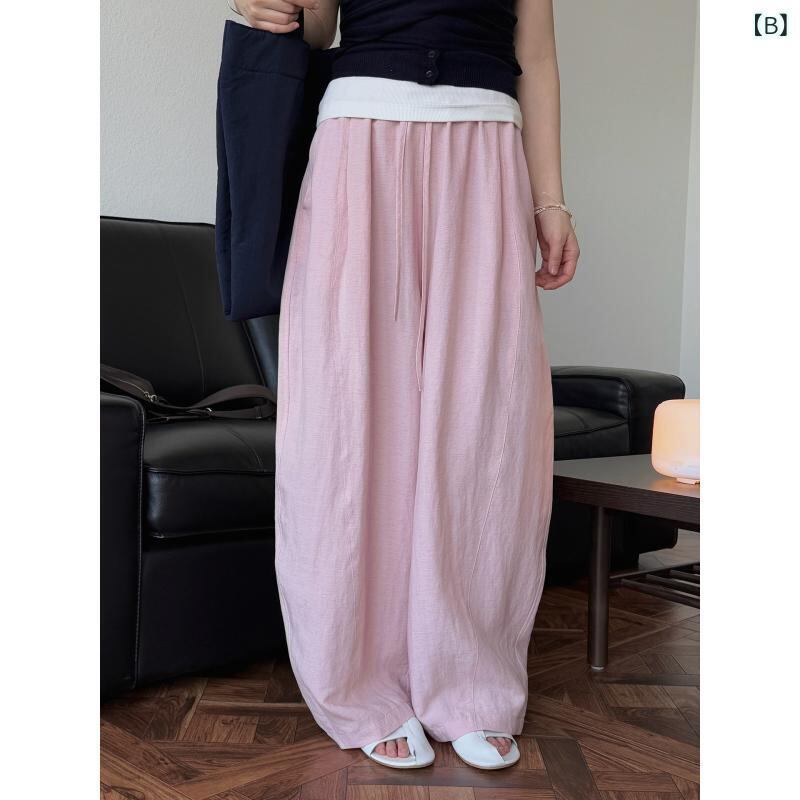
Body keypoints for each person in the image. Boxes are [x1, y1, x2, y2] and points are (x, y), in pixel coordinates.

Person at [232, 0, 580, 770]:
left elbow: (537, 57)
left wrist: (550, 199)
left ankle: (472, 684)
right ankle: (360, 684)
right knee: (350, 418)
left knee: (482, 423)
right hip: (359, 137)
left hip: (487, 146)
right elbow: (318, 27)